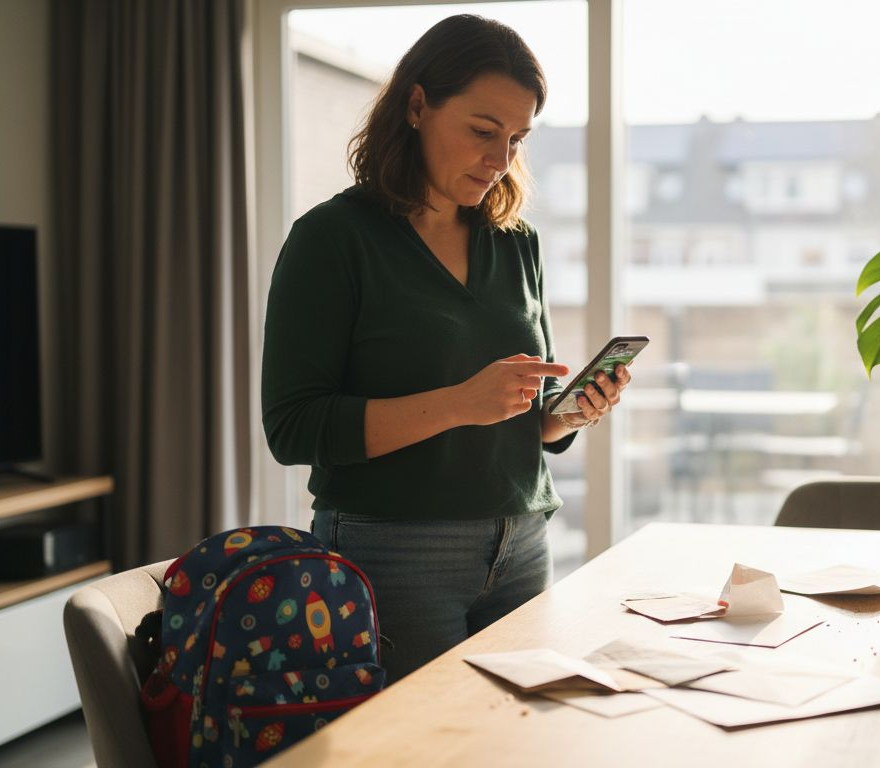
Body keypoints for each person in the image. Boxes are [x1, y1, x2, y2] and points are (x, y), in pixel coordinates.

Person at [261, 14, 630, 682]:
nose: (500, 159)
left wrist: (568, 415)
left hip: (524, 539)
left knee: (517, 742)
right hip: (394, 547)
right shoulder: (332, 239)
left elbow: (522, 418)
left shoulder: (516, 242)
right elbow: (292, 429)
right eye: (484, 132)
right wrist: (459, 403)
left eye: (517, 139)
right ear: (417, 105)